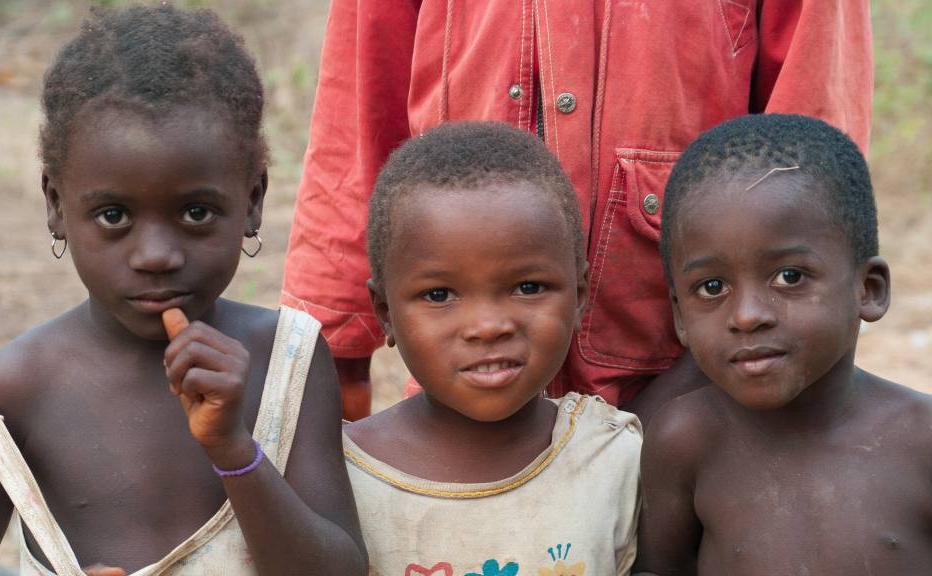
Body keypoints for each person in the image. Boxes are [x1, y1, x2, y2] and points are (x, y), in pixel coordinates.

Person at [0, 6, 366, 575]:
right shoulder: (14, 389)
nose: (156, 255)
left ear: (252, 201)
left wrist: (234, 450)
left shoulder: (288, 360)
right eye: (113, 216)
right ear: (56, 205)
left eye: (196, 211)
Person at [281, 0, 874, 422]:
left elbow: (808, 129)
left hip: (688, 364)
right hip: (457, 368)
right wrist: (334, 340)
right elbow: (359, 103)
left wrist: (798, 301)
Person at [633, 114, 932, 575]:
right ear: (679, 315)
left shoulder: (921, 439)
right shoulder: (683, 441)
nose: (748, 315)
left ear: (868, 289)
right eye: (712, 287)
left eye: (789, 276)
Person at [343, 122, 641, 575]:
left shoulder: (612, 458)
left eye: (527, 286)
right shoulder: (341, 476)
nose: (487, 328)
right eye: (440, 295)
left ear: (579, 295)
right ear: (385, 313)